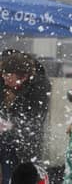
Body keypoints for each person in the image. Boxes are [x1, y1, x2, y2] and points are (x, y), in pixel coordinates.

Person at [0, 52, 51, 184]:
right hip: (5, 142)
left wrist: (10, 124)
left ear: (22, 77)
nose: (4, 79)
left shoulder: (40, 86)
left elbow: (34, 119)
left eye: (8, 76)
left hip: (26, 145)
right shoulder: (5, 81)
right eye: (3, 75)